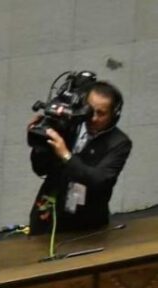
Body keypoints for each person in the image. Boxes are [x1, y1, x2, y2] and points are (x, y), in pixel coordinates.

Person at [28, 81, 132, 233]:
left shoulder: (119, 143)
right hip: (47, 214)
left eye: (101, 113)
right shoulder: (68, 125)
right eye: (90, 110)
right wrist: (40, 143)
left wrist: (66, 155)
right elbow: (40, 169)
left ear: (114, 114)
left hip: (86, 222)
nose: (93, 118)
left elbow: (99, 181)